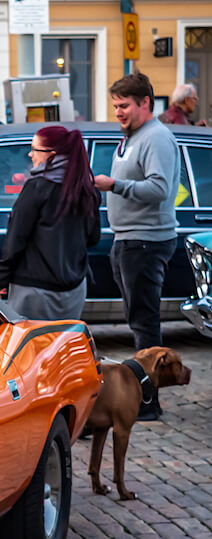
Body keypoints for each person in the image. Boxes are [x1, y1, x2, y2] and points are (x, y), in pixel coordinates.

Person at [93, 72, 180, 420]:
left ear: (146, 103)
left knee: (145, 323)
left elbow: (160, 190)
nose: (118, 111)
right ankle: (144, 396)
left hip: (146, 241)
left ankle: (148, 401)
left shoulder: (156, 138)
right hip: (128, 238)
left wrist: (114, 185)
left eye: (124, 105)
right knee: (137, 319)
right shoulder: (130, 136)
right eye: (115, 105)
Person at [0, 126, 100, 320]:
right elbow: (92, 238)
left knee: (32, 348)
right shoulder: (86, 189)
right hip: (74, 290)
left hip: (33, 290)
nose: (30, 154)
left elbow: (16, 239)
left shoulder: (37, 187)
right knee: (62, 347)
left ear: (52, 155)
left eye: (35, 149)